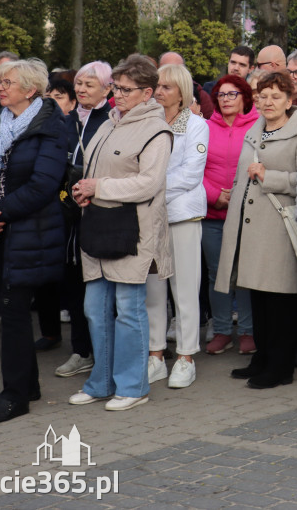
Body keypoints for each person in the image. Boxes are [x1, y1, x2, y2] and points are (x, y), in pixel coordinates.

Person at [69, 54, 173, 412]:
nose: (118, 95)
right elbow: (90, 168)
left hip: (132, 232)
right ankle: (101, 382)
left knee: (129, 310)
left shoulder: (157, 130)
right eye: (116, 87)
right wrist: (84, 188)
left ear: (147, 93)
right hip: (97, 228)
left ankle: (133, 386)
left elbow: (149, 183)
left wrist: (99, 187)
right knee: (95, 309)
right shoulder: (108, 122)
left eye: (126, 90)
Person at [0, 59, 68, 423]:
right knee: (10, 309)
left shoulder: (51, 127)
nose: (0, 88)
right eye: (0, 82)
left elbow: (43, 185)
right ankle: (27, 385)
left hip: (29, 233)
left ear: (30, 90)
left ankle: (16, 397)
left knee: (13, 312)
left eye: (8, 82)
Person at [216, 71, 297, 389]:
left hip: (280, 229)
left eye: (276, 96)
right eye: (263, 95)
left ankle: (281, 366)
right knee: (257, 297)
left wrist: (269, 177)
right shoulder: (253, 131)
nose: (268, 102)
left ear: (290, 100)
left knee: (281, 301)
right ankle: (262, 358)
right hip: (250, 227)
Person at [147, 63, 209, 389]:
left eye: (166, 87)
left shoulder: (197, 125)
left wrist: (150, 187)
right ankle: (156, 355)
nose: (159, 92)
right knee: (153, 290)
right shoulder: (150, 122)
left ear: (182, 92)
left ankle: (185, 357)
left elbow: (190, 175)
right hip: (150, 217)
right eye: (157, 86)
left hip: (182, 216)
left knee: (184, 289)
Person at [52, 61, 113, 380]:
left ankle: (106, 351)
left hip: (100, 212)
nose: (81, 89)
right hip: (68, 213)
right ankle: (81, 350)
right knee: (73, 281)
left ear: (107, 88)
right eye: (78, 83)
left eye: (89, 84)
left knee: (102, 286)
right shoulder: (67, 120)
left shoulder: (113, 120)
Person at [202, 74, 260, 355]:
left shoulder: (257, 127)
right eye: (221, 95)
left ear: (244, 97)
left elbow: (261, 166)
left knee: (245, 274)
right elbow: (194, 169)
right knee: (217, 274)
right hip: (213, 214)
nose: (226, 99)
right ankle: (223, 330)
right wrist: (216, 196)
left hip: (246, 213)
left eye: (232, 94)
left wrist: (235, 197)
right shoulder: (204, 128)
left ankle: (248, 331)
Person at [159, 52, 214, 119]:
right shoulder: (149, 93)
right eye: (166, 69)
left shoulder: (200, 95)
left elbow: (211, 122)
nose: (171, 73)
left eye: (177, 69)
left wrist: (197, 117)